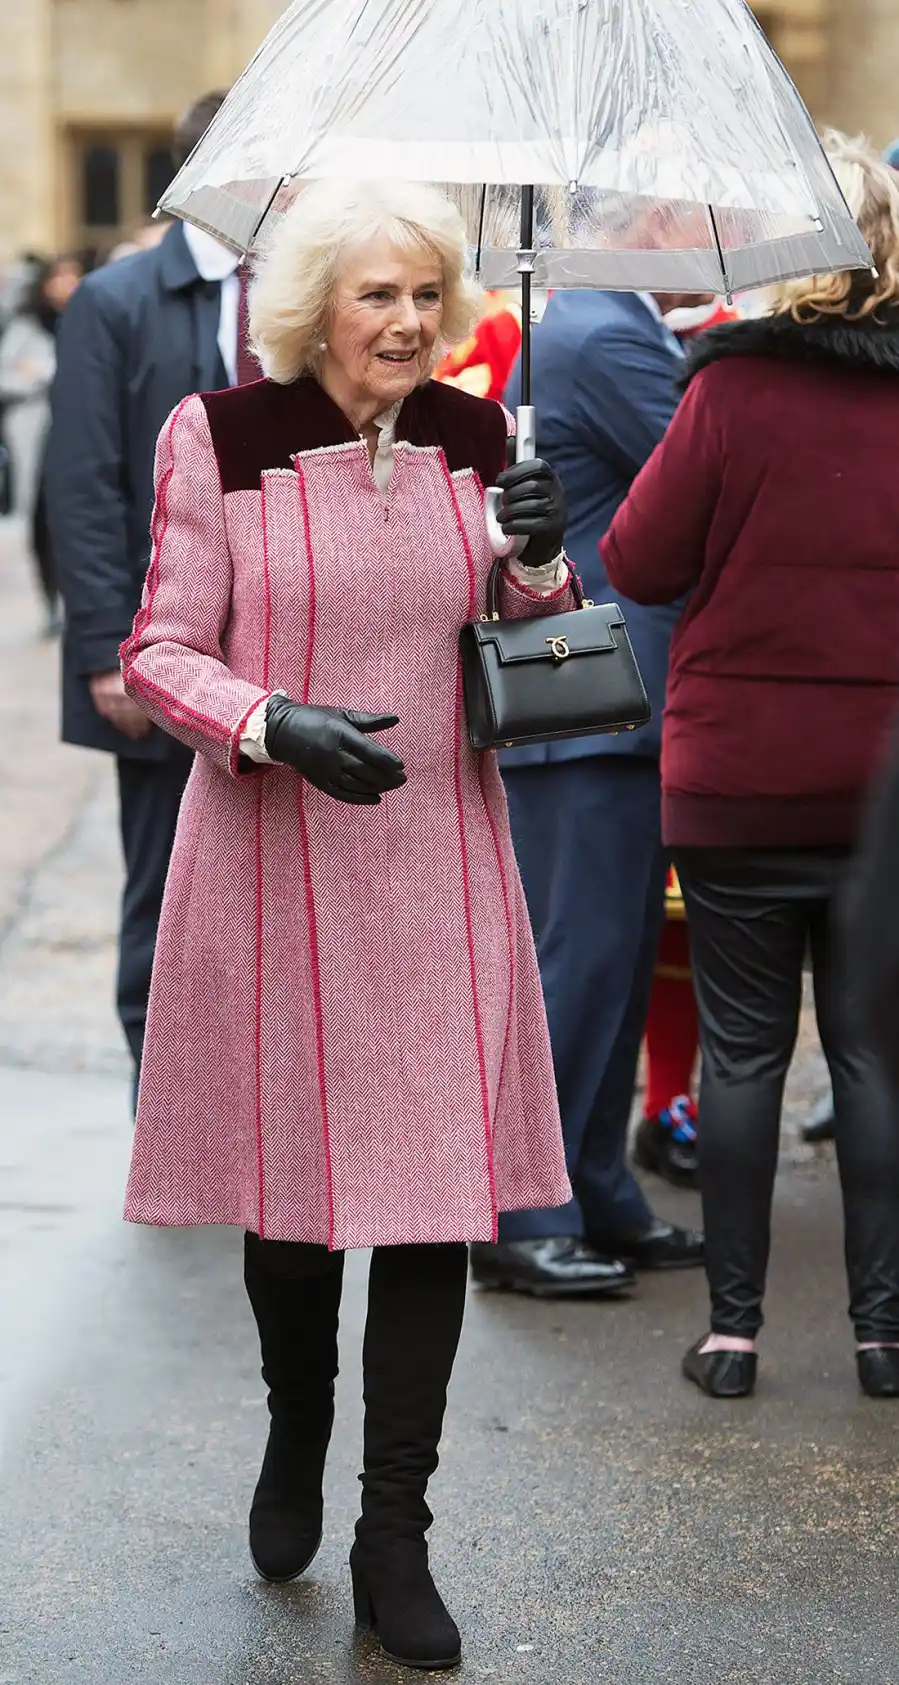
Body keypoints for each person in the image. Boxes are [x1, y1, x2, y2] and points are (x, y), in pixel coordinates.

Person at [119, 179, 573, 1671]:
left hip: (438, 856)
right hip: (274, 860)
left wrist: (533, 555)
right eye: (379, 295)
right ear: (317, 305)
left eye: (428, 296)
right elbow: (158, 653)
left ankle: (396, 1532)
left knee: (435, 1200)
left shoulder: (477, 436)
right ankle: (293, 1421)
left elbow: (529, 641)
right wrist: (271, 720)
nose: (409, 323)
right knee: (297, 1208)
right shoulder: (222, 436)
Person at [603, 133, 899, 1401]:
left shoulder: (723, 393)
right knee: (875, 1056)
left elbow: (637, 562)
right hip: (880, 784)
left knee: (739, 1058)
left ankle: (731, 1336)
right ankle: (883, 1335)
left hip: (733, 778)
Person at [469, 282, 704, 1299]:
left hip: (606, 693)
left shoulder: (603, 322)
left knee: (610, 967)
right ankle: (524, 1211)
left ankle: (594, 1185)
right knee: (577, 964)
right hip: (591, 689)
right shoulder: (606, 331)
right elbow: (707, 481)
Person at [45, 91, 249, 1088]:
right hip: (157, 649)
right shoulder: (117, 302)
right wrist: (104, 652)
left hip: (274, 650)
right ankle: (162, 1100)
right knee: (164, 886)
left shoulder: (310, 298)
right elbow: (82, 488)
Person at [0, 254, 84, 630]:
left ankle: (73, 597)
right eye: (59, 275)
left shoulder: (92, 318)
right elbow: (7, 376)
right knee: (40, 517)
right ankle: (49, 599)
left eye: (73, 274)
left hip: (79, 432)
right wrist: (44, 376)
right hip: (35, 432)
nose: (66, 282)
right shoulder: (26, 326)